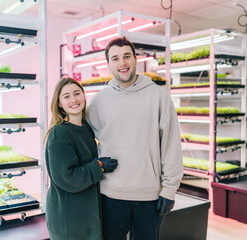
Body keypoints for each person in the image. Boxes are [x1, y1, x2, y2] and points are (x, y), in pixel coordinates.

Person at [86, 37, 184, 240]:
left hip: (149, 197)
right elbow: (83, 142)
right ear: (108, 65)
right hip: (109, 196)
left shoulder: (159, 96)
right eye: (115, 58)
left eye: (126, 56)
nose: (122, 63)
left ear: (135, 59)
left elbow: (171, 145)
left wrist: (169, 189)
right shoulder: (98, 102)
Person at [44, 77, 118, 240]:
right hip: (68, 219)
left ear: (84, 96)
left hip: (86, 214)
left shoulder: (86, 128)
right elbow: (65, 176)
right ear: (59, 103)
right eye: (67, 96)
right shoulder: (60, 133)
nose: (74, 100)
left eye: (77, 93)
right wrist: (98, 167)